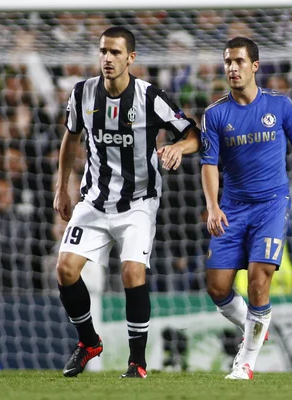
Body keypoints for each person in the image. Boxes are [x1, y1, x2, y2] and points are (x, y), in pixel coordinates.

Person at [54, 26, 200, 379]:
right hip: (94, 199)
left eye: (115, 53)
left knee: (132, 272)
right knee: (65, 270)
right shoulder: (83, 93)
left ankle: (137, 362)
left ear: (130, 58)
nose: (107, 58)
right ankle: (88, 342)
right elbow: (70, 138)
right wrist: (62, 187)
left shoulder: (151, 97)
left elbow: (194, 133)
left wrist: (178, 147)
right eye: (103, 51)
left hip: (138, 201)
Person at [200, 37, 292, 380]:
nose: (232, 68)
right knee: (217, 287)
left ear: (255, 66)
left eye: (239, 61)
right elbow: (208, 164)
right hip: (232, 207)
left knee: (258, 282)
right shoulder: (215, 114)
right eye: (227, 62)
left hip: (271, 205)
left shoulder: (281, 106)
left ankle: (246, 362)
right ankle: (255, 326)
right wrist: (212, 206)